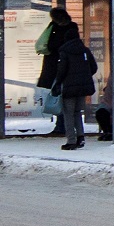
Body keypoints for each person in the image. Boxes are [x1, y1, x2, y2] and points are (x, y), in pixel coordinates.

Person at [51, 25, 98, 151]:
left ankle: (71, 140)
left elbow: (62, 70)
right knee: (77, 112)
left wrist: (58, 83)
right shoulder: (85, 50)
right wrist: (84, 77)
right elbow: (94, 67)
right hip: (83, 88)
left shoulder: (64, 51)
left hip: (69, 88)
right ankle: (80, 136)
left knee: (68, 113)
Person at [35, 8, 76, 136]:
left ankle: (62, 126)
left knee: (60, 95)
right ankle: (62, 125)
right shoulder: (70, 27)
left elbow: (51, 45)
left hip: (58, 66)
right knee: (60, 96)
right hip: (60, 66)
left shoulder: (56, 28)